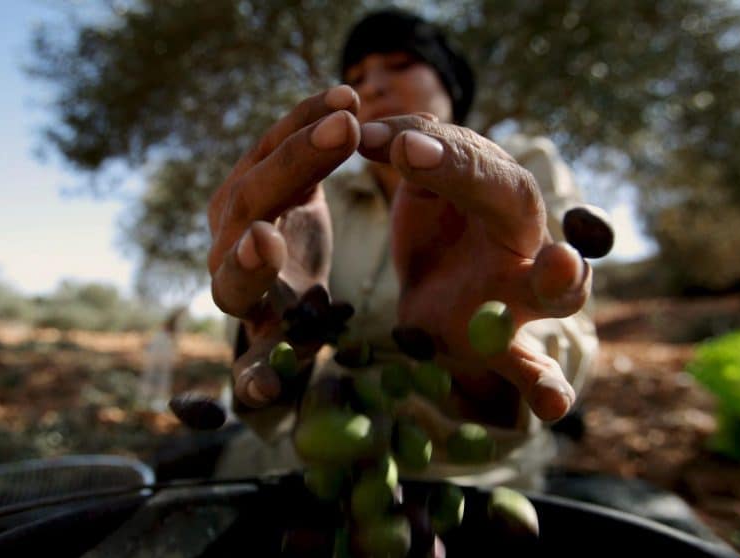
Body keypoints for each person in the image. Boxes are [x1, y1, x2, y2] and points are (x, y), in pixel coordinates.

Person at [206, 9, 599, 491]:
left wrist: (488, 358)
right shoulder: (319, 204)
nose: (371, 87)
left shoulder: (521, 167)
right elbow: (267, 370)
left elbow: (565, 319)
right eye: (355, 77)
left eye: (399, 64)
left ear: (449, 83)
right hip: (302, 470)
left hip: (476, 479)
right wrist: (269, 333)